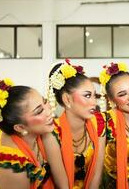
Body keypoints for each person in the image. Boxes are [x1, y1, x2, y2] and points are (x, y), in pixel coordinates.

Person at [0, 77, 63, 189]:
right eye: (39, 111)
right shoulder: (11, 165)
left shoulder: (32, 128)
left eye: (45, 102)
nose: (50, 111)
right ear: (19, 127)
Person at [45, 59, 106, 188]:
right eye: (87, 96)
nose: (94, 103)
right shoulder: (52, 132)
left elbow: (96, 174)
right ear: (67, 99)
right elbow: (62, 185)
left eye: (94, 96)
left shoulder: (99, 124)